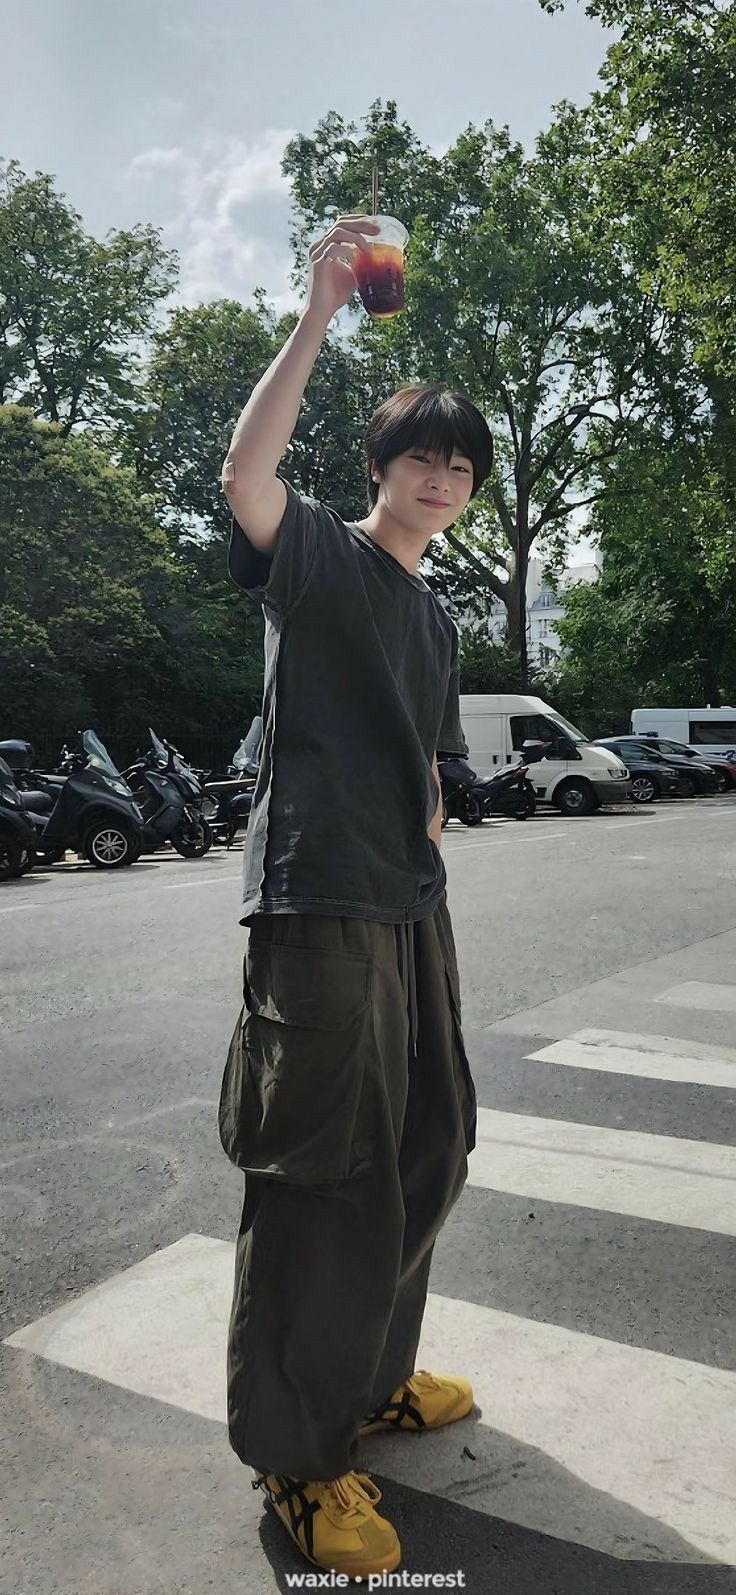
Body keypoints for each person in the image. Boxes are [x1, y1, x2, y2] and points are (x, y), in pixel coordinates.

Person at [218, 214, 494, 1580]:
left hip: (409, 903)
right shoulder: (319, 557)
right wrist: (322, 309)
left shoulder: (435, 615)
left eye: (457, 463)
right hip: (317, 902)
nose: (438, 476)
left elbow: (428, 743)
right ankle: (298, 1455)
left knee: (431, 1143)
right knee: (323, 1177)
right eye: (418, 456)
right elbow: (245, 470)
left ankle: (369, 1378)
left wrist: (439, 787)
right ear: (376, 469)